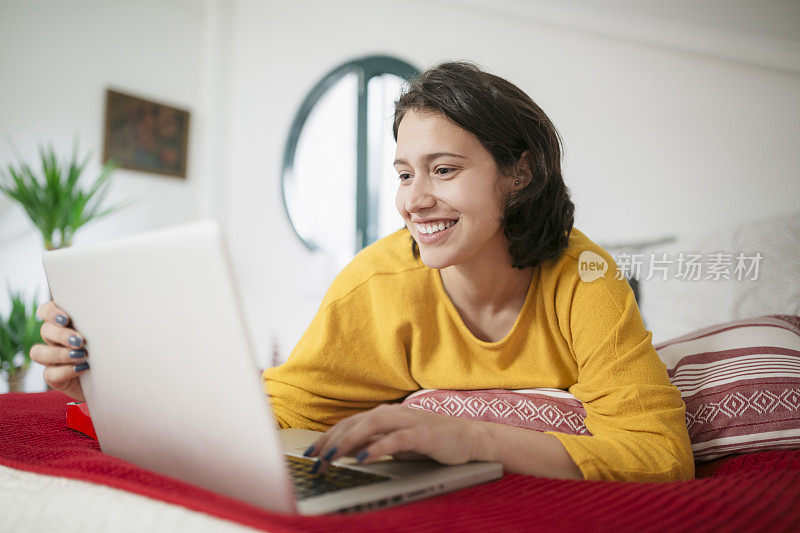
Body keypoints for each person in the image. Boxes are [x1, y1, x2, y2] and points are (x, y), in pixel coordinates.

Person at [32, 61, 694, 483]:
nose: (413, 198)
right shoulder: (377, 283)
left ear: (518, 173)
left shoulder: (586, 276)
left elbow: (658, 451)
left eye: (444, 169)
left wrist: (470, 437)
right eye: (405, 173)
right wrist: (109, 389)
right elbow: (277, 406)